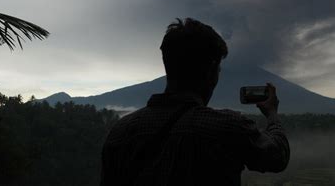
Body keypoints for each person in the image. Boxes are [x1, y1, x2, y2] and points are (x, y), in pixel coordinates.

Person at [100, 18, 290, 186]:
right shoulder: (227, 127)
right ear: (211, 71)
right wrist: (272, 114)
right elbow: (278, 156)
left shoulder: (121, 132)